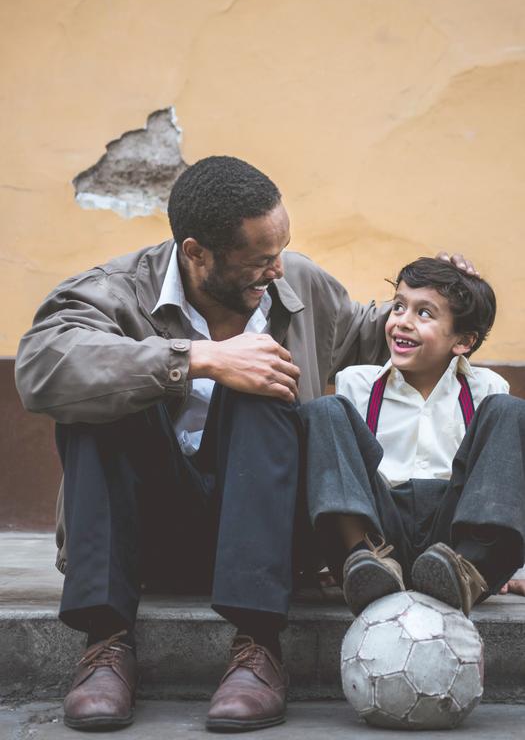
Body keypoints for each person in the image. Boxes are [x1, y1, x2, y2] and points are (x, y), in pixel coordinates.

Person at [15, 156, 473, 733]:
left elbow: (370, 333)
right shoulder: (115, 292)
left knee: (266, 380)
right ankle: (105, 644)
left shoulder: (296, 281)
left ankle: (257, 646)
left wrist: (445, 302)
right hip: (143, 536)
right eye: (259, 260)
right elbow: (41, 368)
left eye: (281, 250)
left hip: (270, 539)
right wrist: (197, 358)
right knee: (102, 394)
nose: (277, 269)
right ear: (196, 253)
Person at [300, 257, 525, 621]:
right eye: (399, 306)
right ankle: (363, 560)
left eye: (424, 313)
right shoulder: (357, 382)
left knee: (511, 410)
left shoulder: (487, 389)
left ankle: (469, 571)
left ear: (463, 341)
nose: (402, 320)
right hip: (378, 528)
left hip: (454, 536)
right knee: (324, 409)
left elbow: (503, 482)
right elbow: (344, 473)